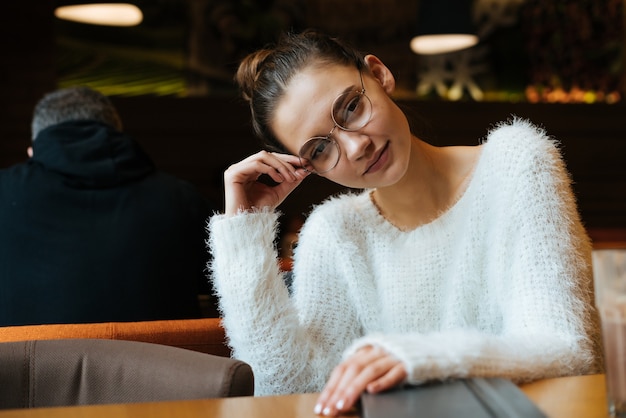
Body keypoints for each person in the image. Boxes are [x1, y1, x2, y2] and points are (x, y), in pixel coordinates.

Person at [207, 30, 602, 416]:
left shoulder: (516, 163)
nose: (356, 146)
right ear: (306, 167)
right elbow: (291, 392)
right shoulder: (335, 233)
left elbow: (567, 351)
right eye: (321, 149)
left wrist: (416, 358)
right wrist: (244, 234)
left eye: (350, 107)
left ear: (379, 76)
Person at [0, 86, 219, 326]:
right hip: (151, 362)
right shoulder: (181, 200)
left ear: (33, 151)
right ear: (117, 135)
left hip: (29, 364)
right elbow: (232, 288)